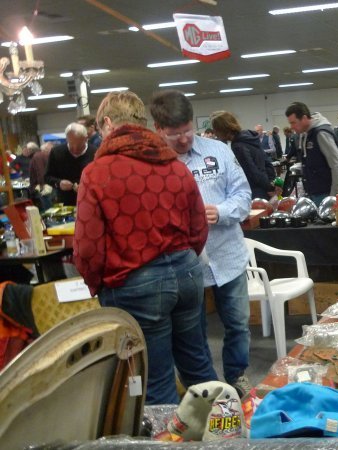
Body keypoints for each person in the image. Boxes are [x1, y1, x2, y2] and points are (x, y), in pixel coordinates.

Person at [73, 90, 217, 405]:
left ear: (107, 123)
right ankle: (224, 426)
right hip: (187, 274)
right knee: (198, 366)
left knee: (155, 382)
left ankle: (167, 431)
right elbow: (198, 227)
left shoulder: (96, 174)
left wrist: (98, 285)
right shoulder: (175, 166)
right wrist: (182, 261)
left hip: (136, 284)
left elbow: (87, 248)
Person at [149, 90, 254, 397]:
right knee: (193, 333)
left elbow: (243, 195)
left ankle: (237, 375)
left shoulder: (218, 151)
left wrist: (220, 211)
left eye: (188, 130)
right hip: (186, 265)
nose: (184, 139)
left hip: (228, 255)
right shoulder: (154, 164)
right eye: (175, 134)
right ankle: (206, 388)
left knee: (238, 323)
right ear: (158, 128)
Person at [285, 102, 338, 205]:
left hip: (327, 192)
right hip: (318, 191)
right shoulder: (307, 134)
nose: (291, 127)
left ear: (304, 118)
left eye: (293, 123)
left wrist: (333, 197)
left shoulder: (321, 133)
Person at [211, 110, 277, 200]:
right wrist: (271, 184)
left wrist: (269, 188)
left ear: (222, 129)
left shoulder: (237, 146)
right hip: (265, 186)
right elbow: (267, 162)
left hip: (255, 191)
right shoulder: (251, 137)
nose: (215, 133)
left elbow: (252, 172)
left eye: (215, 130)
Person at [44, 122, 97, 206]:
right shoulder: (57, 152)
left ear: (86, 138)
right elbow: (47, 177)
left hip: (90, 201)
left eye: (79, 145)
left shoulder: (95, 153)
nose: (75, 149)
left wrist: (86, 186)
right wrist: (59, 183)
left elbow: (101, 179)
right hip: (64, 203)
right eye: (71, 144)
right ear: (67, 138)